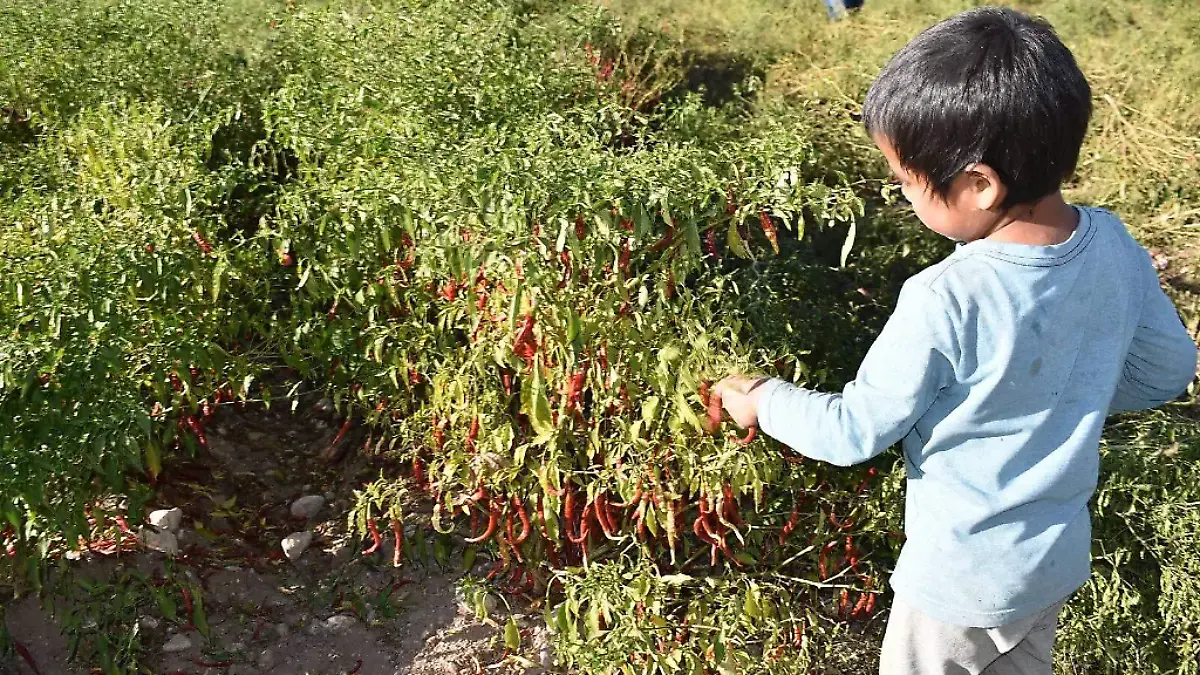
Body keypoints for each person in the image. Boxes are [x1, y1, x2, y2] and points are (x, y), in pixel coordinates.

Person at [715, 7, 1198, 675]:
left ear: (978, 184)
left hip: (957, 584)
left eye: (907, 182)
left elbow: (854, 431)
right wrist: (1067, 390)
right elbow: (1168, 369)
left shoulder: (943, 297)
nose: (903, 196)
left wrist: (763, 399)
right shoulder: (1111, 240)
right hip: (1049, 564)